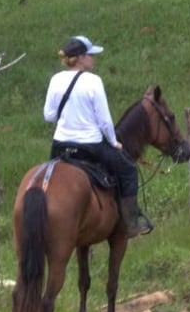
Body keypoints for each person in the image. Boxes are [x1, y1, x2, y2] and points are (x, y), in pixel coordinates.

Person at [44, 35, 152, 236]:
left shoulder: (55, 79)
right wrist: (113, 141)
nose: (93, 59)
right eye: (90, 55)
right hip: (90, 146)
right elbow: (104, 121)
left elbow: (48, 115)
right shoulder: (94, 81)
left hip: (60, 145)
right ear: (80, 58)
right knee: (129, 170)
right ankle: (131, 223)